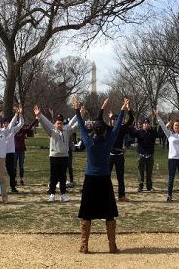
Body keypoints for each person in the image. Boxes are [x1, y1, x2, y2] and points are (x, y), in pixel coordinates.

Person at [76, 96, 127, 254]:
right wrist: (123, 110)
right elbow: (117, 127)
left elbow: (81, 127)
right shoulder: (108, 142)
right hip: (104, 180)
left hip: (90, 179)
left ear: (93, 131)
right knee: (109, 213)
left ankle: (84, 245)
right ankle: (112, 245)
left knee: (87, 213)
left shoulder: (89, 142)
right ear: (104, 132)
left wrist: (77, 111)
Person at [34, 105, 77, 202]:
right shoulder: (51, 131)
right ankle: (52, 194)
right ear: (55, 123)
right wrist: (40, 116)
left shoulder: (67, 131)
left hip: (64, 157)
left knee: (63, 177)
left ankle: (63, 194)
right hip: (54, 157)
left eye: (61, 123)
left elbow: (75, 125)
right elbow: (46, 124)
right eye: (58, 123)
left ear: (63, 123)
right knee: (53, 177)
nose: (59, 125)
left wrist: (80, 114)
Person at [99, 98, 134, 202]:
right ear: (111, 120)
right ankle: (105, 195)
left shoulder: (122, 128)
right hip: (109, 155)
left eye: (116, 119)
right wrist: (103, 106)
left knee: (120, 177)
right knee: (106, 176)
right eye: (113, 119)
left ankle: (121, 196)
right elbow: (99, 119)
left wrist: (128, 108)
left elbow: (131, 120)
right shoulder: (108, 129)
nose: (114, 121)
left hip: (119, 155)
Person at [0, 107, 24, 194]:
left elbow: (21, 124)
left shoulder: (12, 130)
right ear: (1, 124)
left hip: (10, 154)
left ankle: (13, 187)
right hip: (1, 155)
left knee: (11, 172)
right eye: (3, 123)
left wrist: (19, 114)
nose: (5, 124)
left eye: (6, 123)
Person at [130, 117, 158, 192]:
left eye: (147, 123)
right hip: (141, 155)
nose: (146, 125)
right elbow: (131, 135)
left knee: (149, 172)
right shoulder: (139, 132)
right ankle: (140, 186)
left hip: (150, 155)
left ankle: (149, 187)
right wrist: (131, 126)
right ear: (142, 125)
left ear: (149, 124)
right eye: (144, 123)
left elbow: (160, 135)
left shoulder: (152, 132)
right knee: (140, 172)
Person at [14, 118, 39, 186]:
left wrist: (35, 119)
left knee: (21, 166)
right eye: (17, 126)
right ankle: (14, 180)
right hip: (15, 151)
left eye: (19, 126)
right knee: (14, 166)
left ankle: (21, 179)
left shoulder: (23, 131)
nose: (18, 128)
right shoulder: (13, 132)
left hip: (22, 151)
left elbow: (30, 126)